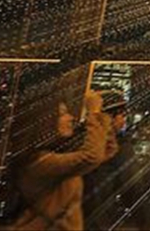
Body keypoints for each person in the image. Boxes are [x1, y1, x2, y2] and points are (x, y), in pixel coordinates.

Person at [10, 91, 118, 230]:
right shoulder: (40, 162)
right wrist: (94, 113)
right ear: (45, 122)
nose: (70, 118)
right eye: (62, 114)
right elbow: (92, 157)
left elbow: (108, 150)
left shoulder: (54, 157)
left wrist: (101, 113)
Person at [83, 90, 147, 231]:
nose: (123, 121)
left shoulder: (82, 142)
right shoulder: (119, 149)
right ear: (110, 117)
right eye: (122, 115)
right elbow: (134, 189)